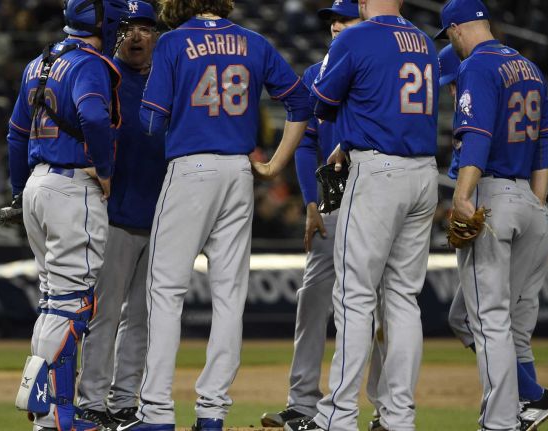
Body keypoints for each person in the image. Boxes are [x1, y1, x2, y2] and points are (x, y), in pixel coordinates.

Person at [116, 0, 311, 430]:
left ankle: (156, 412)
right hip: (239, 172)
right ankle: (212, 412)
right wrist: (275, 164)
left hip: (191, 168)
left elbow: (151, 120)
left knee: (165, 291)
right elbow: (300, 102)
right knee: (228, 296)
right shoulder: (254, 42)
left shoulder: (172, 43)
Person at [285, 0, 440, 430]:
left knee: (354, 298)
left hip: (378, 173)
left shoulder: (357, 37)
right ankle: (397, 417)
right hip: (424, 172)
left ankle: (337, 416)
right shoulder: (424, 42)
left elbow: (321, 102)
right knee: (404, 302)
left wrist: (349, 131)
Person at [434, 0, 548, 430]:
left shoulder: (476, 66)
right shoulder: (528, 66)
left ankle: (500, 422)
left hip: (493, 194)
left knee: (487, 321)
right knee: (490, 322)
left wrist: (464, 196)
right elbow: (545, 139)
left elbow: (477, 134)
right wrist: (536, 202)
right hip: (530, 203)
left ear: (454, 30)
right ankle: (532, 397)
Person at [7, 1, 128, 430]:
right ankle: (59, 415)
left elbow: (16, 133)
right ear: (105, 23)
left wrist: (19, 191)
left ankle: (45, 414)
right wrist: (106, 169)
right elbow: (94, 115)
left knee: (52, 302)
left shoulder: (39, 63)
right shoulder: (88, 63)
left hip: (38, 184)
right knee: (72, 304)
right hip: (71, 184)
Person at [260, 0, 364, 428]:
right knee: (313, 300)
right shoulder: (315, 75)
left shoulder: (375, 68)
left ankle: (383, 410)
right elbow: (305, 143)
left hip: (375, 195)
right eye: (332, 20)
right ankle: (303, 403)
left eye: (345, 18)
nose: (337, 25)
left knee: (369, 308)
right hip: (332, 202)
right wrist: (310, 203)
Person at [76, 2, 165, 429]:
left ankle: (124, 401)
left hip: (162, 218)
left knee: (144, 318)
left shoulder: (168, 80)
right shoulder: (101, 75)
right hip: (110, 216)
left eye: (145, 28)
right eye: (128, 28)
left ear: (156, 36)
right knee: (105, 313)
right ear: (115, 33)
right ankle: (91, 399)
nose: (136, 36)